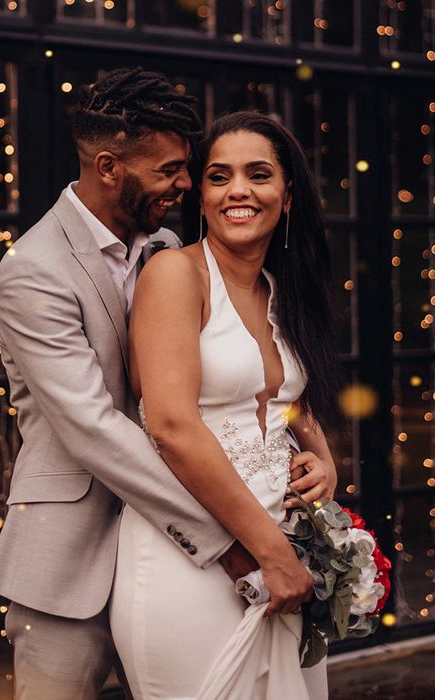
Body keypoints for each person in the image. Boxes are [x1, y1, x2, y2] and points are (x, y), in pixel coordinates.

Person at [110, 111, 342, 699]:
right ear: (203, 196)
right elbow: (170, 425)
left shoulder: (279, 289)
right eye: (219, 177)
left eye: (258, 174)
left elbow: (288, 398)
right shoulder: (174, 275)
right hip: (196, 556)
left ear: (287, 196)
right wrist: (270, 554)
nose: (238, 190)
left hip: (286, 547)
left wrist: (324, 460)